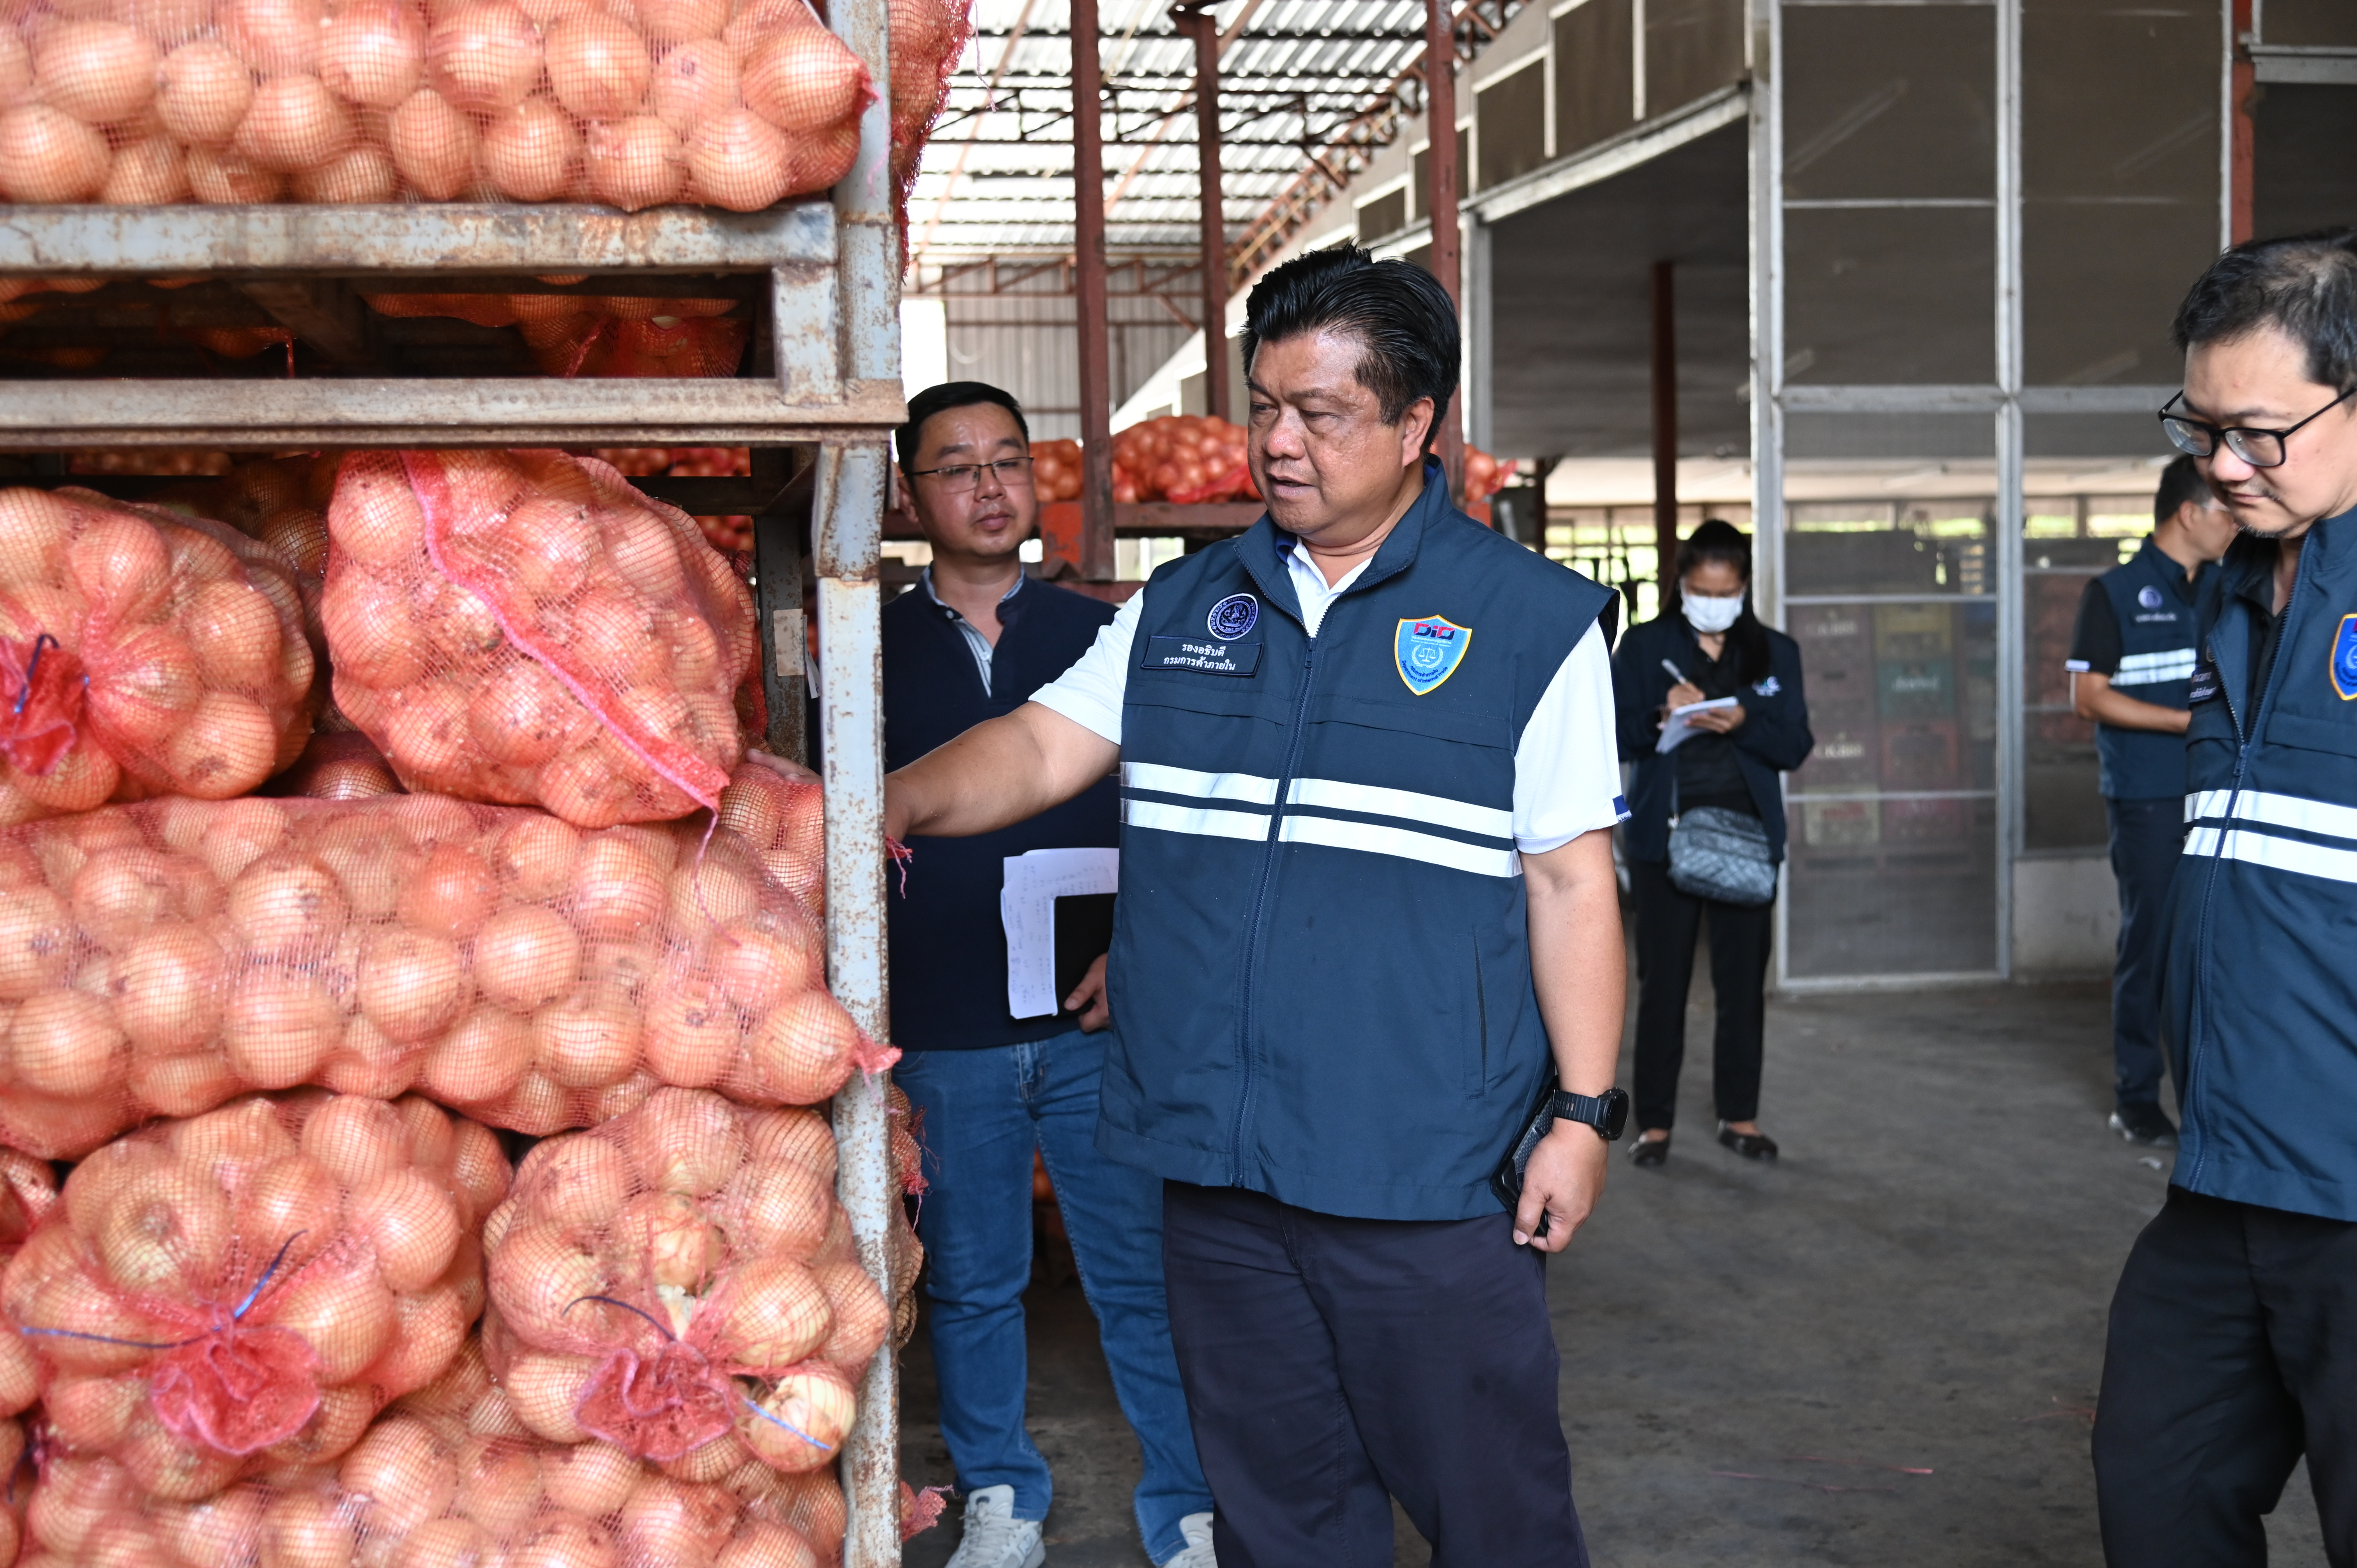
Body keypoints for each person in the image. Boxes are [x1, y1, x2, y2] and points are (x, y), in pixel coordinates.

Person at [883, 246, 1632, 1568]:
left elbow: (1569, 877)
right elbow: (1038, 750)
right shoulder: (1187, 604)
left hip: (1422, 1168)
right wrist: (883, 807)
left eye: (1319, 413)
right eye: (1263, 407)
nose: (1276, 445)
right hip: (1216, 1162)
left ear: (1415, 425)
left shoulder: (1525, 621)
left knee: (1491, 1509)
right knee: (1277, 1514)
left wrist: (1578, 1112)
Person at [883, 381, 1215, 1568]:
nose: (987, 483)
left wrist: (1142, 950)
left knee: (1139, 1272)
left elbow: (1179, 820)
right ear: (908, 493)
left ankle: (1187, 1506)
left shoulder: (1107, 635)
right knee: (972, 1282)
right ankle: (1002, 1498)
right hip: (943, 1019)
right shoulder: (865, 648)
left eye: (1008, 459)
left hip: (1094, 1020)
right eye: (956, 464)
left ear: (1039, 480)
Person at [2091, 229, 2357, 1566]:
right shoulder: (2230, 598)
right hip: (2222, 1177)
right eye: (2198, 429)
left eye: (2256, 432)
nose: (2218, 465)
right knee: (2154, 1489)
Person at [1610, 521, 1813, 1166]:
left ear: (1744, 588)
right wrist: (1659, 715)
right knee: (1662, 983)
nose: (1711, 601)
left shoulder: (1775, 654)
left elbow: (1796, 745)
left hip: (1745, 839)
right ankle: (1655, 1124)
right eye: (1699, 589)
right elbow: (1612, 735)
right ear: (1681, 585)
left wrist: (1745, 719)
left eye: (1724, 591)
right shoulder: (1644, 648)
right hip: (1662, 843)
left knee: (1740, 985)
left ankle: (1740, 1117)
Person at [2065, 456, 2237, 1150]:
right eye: (2226, 510)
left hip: (2219, 792)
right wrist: (2181, 724)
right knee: (2154, 942)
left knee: (2215, 947)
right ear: (2189, 513)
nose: (2236, 522)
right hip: (2148, 796)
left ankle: (2207, 1096)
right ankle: (2138, 1097)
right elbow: (2088, 697)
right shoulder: (2114, 593)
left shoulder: (2230, 588)